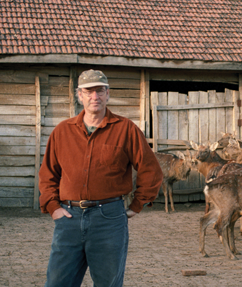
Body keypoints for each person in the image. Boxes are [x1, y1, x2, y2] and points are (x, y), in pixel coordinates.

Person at [39, 69, 163, 287]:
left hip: (109, 219)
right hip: (69, 218)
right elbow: (48, 173)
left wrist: (137, 204)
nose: (94, 97)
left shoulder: (126, 130)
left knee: (108, 283)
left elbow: (150, 168)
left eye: (99, 91)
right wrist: (52, 206)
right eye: (88, 91)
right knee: (58, 282)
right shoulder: (62, 131)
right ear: (80, 95)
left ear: (107, 94)